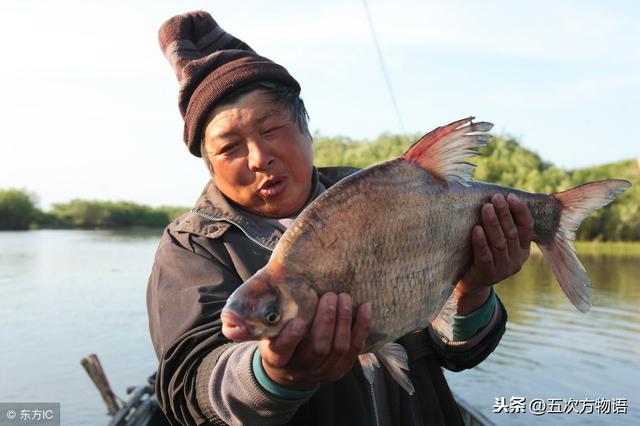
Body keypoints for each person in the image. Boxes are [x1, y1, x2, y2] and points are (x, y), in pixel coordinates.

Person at [147, 10, 533, 426]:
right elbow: (189, 388)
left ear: (306, 130)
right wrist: (276, 376)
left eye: (271, 128)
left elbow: (457, 352)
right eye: (229, 147)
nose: (259, 158)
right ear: (210, 165)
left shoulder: (379, 199)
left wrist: (472, 293)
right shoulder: (191, 247)